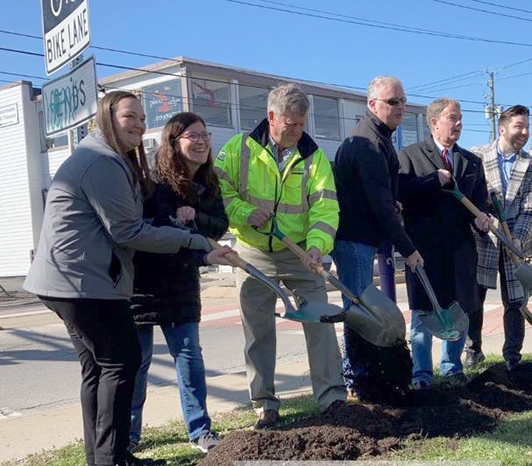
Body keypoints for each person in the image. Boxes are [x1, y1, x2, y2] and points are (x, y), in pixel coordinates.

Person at [23, 91, 234, 466]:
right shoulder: (101, 162)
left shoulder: (109, 158)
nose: (138, 124)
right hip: (80, 282)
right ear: (107, 117)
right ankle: (114, 457)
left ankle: (106, 456)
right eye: (129, 117)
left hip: (68, 279)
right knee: (122, 362)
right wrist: (194, 240)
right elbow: (129, 231)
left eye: (141, 117)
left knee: (99, 367)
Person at [214, 83, 346, 429]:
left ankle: (332, 398)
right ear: (271, 117)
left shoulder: (313, 156)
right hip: (253, 252)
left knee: (321, 323)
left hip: (300, 252)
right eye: (291, 124)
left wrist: (318, 245)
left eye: (302, 123)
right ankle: (265, 404)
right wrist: (244, 213)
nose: (297, 131)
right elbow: (219, 193)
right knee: (258, 330)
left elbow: (325, 206)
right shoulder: (239, 149)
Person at [128, 113, 228, 454]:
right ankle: (128, 436)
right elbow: (152, 232)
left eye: (205, 134)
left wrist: (194, 216)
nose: (201, 141)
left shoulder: (208, 182)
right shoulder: (154, 181)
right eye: (193, 135)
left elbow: (219, 225)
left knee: (189, 357)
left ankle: (200, 430)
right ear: (174, 140)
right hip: (143, 282)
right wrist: (186, 234)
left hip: (183, 282)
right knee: (137, 362)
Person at [331, 76, 424, 397]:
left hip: (361, 236)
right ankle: (358, 381)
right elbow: (380, 205)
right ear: (372, 105)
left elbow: (381, 194)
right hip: (352, 238)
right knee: (360, 310)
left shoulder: (380, 138)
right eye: (392, 102)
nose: (400, 107)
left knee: (361, 307)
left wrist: (391, 199)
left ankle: (363, 379)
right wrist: (408, 249)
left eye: (402, 101)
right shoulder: (367, 143)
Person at [398, 98, 492, 390]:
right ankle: (422, 375)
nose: (459, 123)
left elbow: (478, 203)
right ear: (434, 122)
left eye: (461, 118)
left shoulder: (471, 161)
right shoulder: (410, 156)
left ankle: (452, 369)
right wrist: (432, 180)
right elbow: (402, 193)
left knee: (459, 311)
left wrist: (482, 218)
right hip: (423, 250)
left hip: (460, 249)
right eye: (453, 118)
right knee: (423, 314)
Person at [468, 105, 532, 371]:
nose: (524, 132)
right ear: (502, 129)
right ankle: (473, 351)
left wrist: (518, 240)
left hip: (515, 240)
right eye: (518, 126)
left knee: (515, 299)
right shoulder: (476, 156)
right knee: (474, 297)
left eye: (527, 127)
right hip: (484, 236)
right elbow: (469, 197)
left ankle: (512, 357)